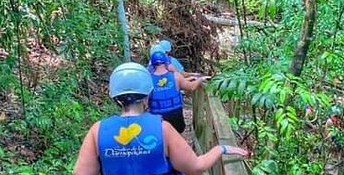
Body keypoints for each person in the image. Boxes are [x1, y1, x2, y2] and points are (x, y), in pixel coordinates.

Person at [73, 62, 249, 175]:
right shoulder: (162, 128)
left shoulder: (97, 131)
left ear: (115, 97)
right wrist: (222, 148)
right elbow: (195, 167)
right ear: (147, 95)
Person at [149, 51, 208, 133]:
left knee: (162, 138)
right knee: (177, 136)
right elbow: (191, 87)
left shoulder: (148, 79)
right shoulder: (176, 76)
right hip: (175, 114)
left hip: (157, 116)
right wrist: (200, 79)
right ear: (166, 63)